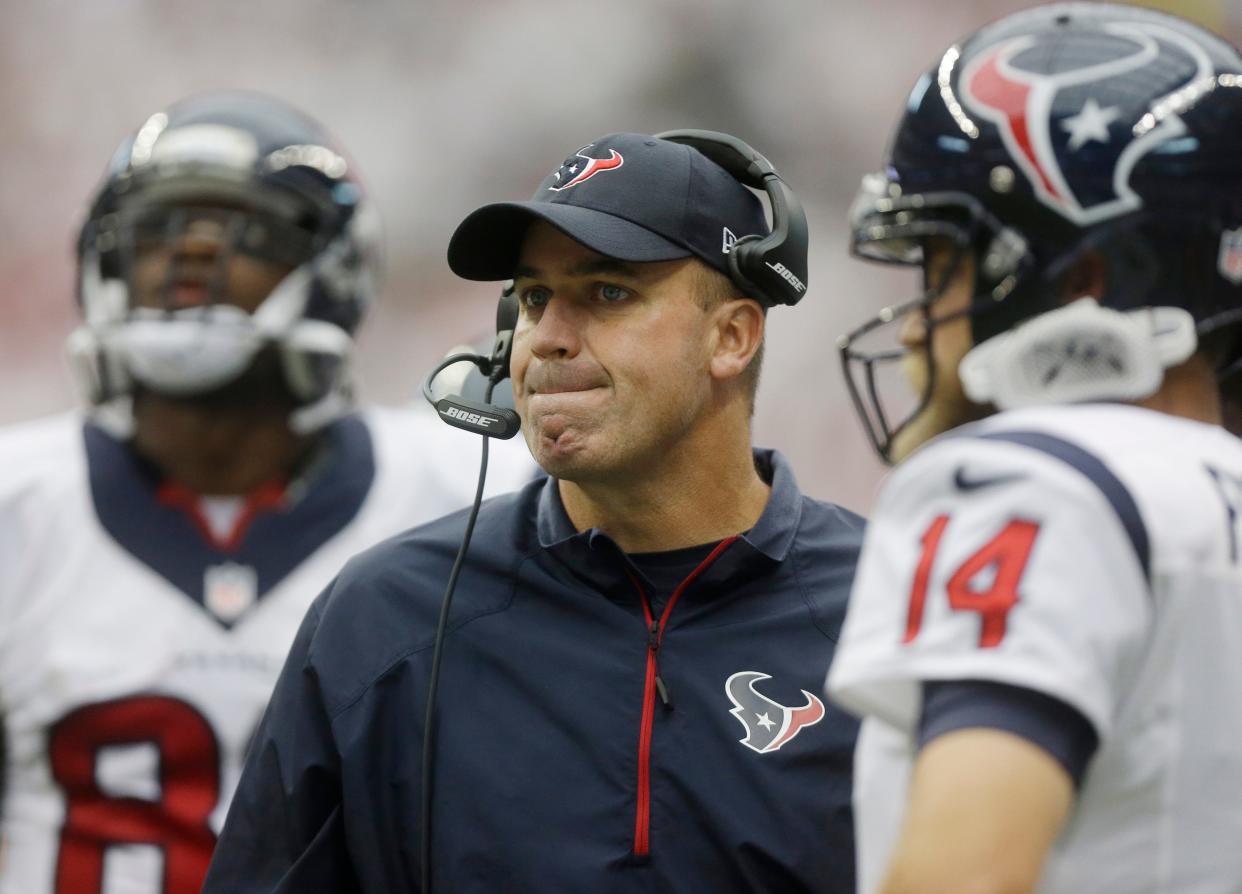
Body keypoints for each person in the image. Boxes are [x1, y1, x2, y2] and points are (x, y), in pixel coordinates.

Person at [203, 131, 865, 893]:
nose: (545, 338)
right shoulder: (384, 619)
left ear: (732, 336)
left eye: (608, 293)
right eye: (533, 298)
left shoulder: (887, 607)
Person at [0, 91, 535, 894]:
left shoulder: (465, 489)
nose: (189, 254)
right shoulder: (19, 504)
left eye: (243, 227)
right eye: (155, 228)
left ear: (337, 269)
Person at [824, 4, 1242, 893]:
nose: (912, 331)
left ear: (1084, 277)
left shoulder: (1031, 482)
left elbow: (962, 877)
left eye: (942, 265)